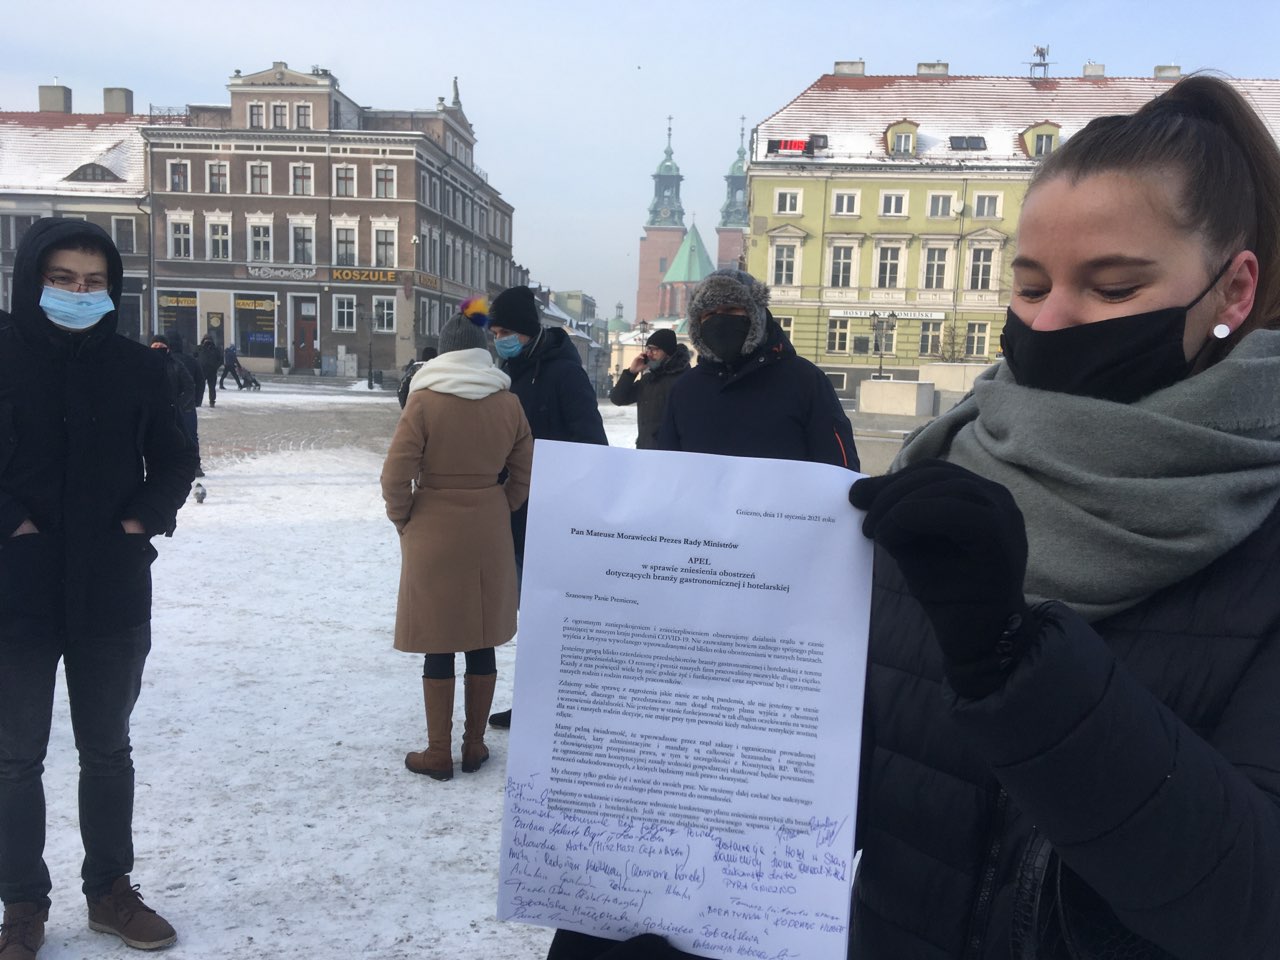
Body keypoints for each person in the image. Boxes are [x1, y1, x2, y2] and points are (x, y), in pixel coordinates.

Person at [553, 74, 1280, 960]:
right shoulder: (947, 467)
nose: (1053, 321)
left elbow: (1251, 906)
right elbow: (829, 788)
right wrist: (662, 880)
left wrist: (1017, 667)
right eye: (1029, 285)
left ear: (1233, 291)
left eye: (1113, 287)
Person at [0, 219, 197, 958]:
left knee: (108, 750)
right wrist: (12, 525)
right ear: (33, 280)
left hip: (110, 589)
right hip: (14, 589)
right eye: (62, 279)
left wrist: (140, 523)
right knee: (14, 758)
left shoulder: (138, 367)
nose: (78, 293)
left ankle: (110, 889)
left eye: (93, 282)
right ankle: (22, 903)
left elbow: (175, 460)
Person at [380, 311, 532, 780]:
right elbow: (526, 468)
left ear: (444, 352)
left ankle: (437, 752)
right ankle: (474, 745)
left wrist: (405, 518)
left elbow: (394, 475)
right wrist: (502, 503)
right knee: (481, 634)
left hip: (433, 526)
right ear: (481, 352)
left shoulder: (424, 400)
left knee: (439, 638)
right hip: (488, 523)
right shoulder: (507, 402)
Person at [485, 285, 607, 730]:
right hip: (515, 514)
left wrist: (566, 492)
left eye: (506, 332)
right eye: (495, 333)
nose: (500, 339)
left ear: (528, 331)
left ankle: (561, 703)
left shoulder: (563, 374)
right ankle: (534, 701)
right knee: (532, 616)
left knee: (552, 617)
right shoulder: (508, 371)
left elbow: (592, 445)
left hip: (554, 515)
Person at [654, 268, 858, 470]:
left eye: (731, 309)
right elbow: (666, 468)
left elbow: (839, 465)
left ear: (756, 315)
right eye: (709, 314)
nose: (720, 320)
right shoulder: (685, 389)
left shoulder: (805, 380)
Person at [608, 327, 691, 449]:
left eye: (655, 349)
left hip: (670, 453)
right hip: (645, 450)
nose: (649, 354)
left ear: (668, 352)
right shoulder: (648, 379)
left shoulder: (683, 380)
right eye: (648, 349)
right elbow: (618, 399)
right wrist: (631, 373)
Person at [149, 335, 203, 478]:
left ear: (168, 348)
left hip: (181, 409)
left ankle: (193, 465)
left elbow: (191, 385)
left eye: (161, 346)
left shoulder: (176, 364)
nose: (158, 349)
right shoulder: (145, 364)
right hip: (156, 409)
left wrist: (180, 404)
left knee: (188, 436)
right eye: (155, 346)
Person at [196, 334, 221, 407]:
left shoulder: (215, 349)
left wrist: (215, 366)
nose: (207, 341)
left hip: (210, 371)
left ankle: (210, 401)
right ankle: (200, 401)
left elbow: (220, 359)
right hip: (204, 371)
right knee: (202, 386)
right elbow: (194, 357)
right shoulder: (200, 348)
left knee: (210, 387)